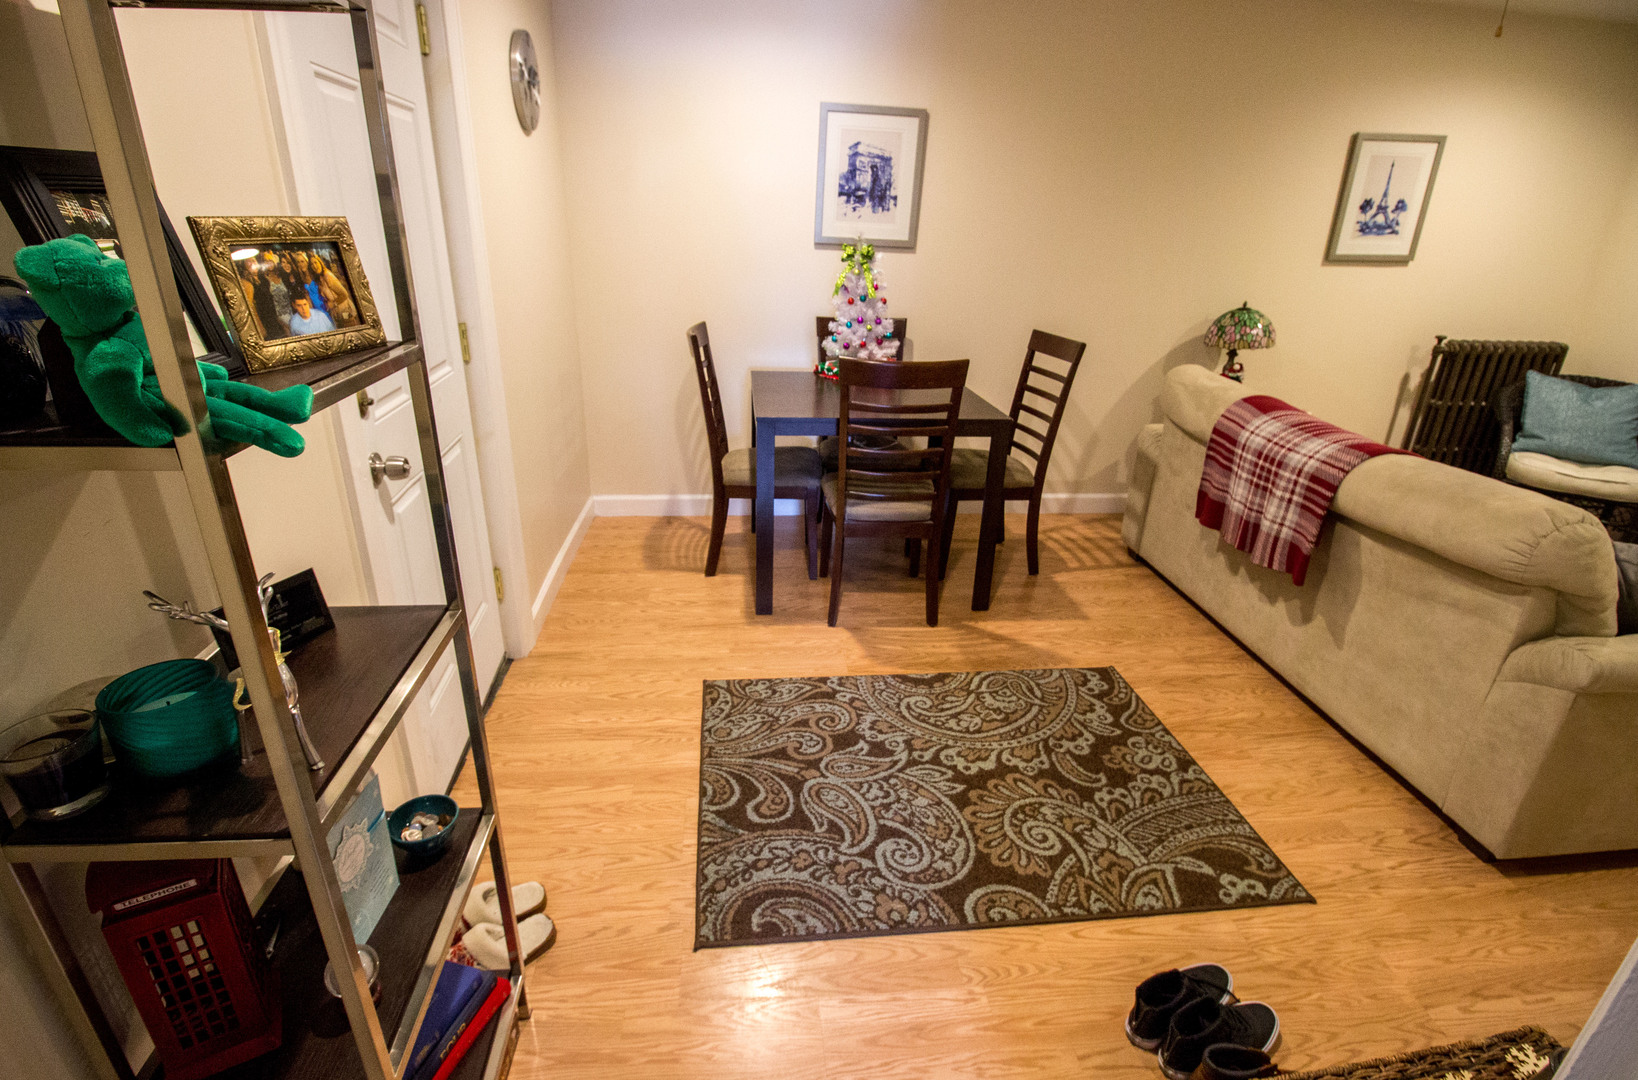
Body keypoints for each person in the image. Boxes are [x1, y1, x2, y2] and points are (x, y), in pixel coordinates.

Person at [309, 251, 358, 327]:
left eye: (315, 263)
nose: (314, 266)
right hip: (337, 314)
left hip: (345, 311)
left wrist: (333, 303)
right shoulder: (320, 278)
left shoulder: (328, 276)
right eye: (312, 265)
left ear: (320, 262)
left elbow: (344, 294)